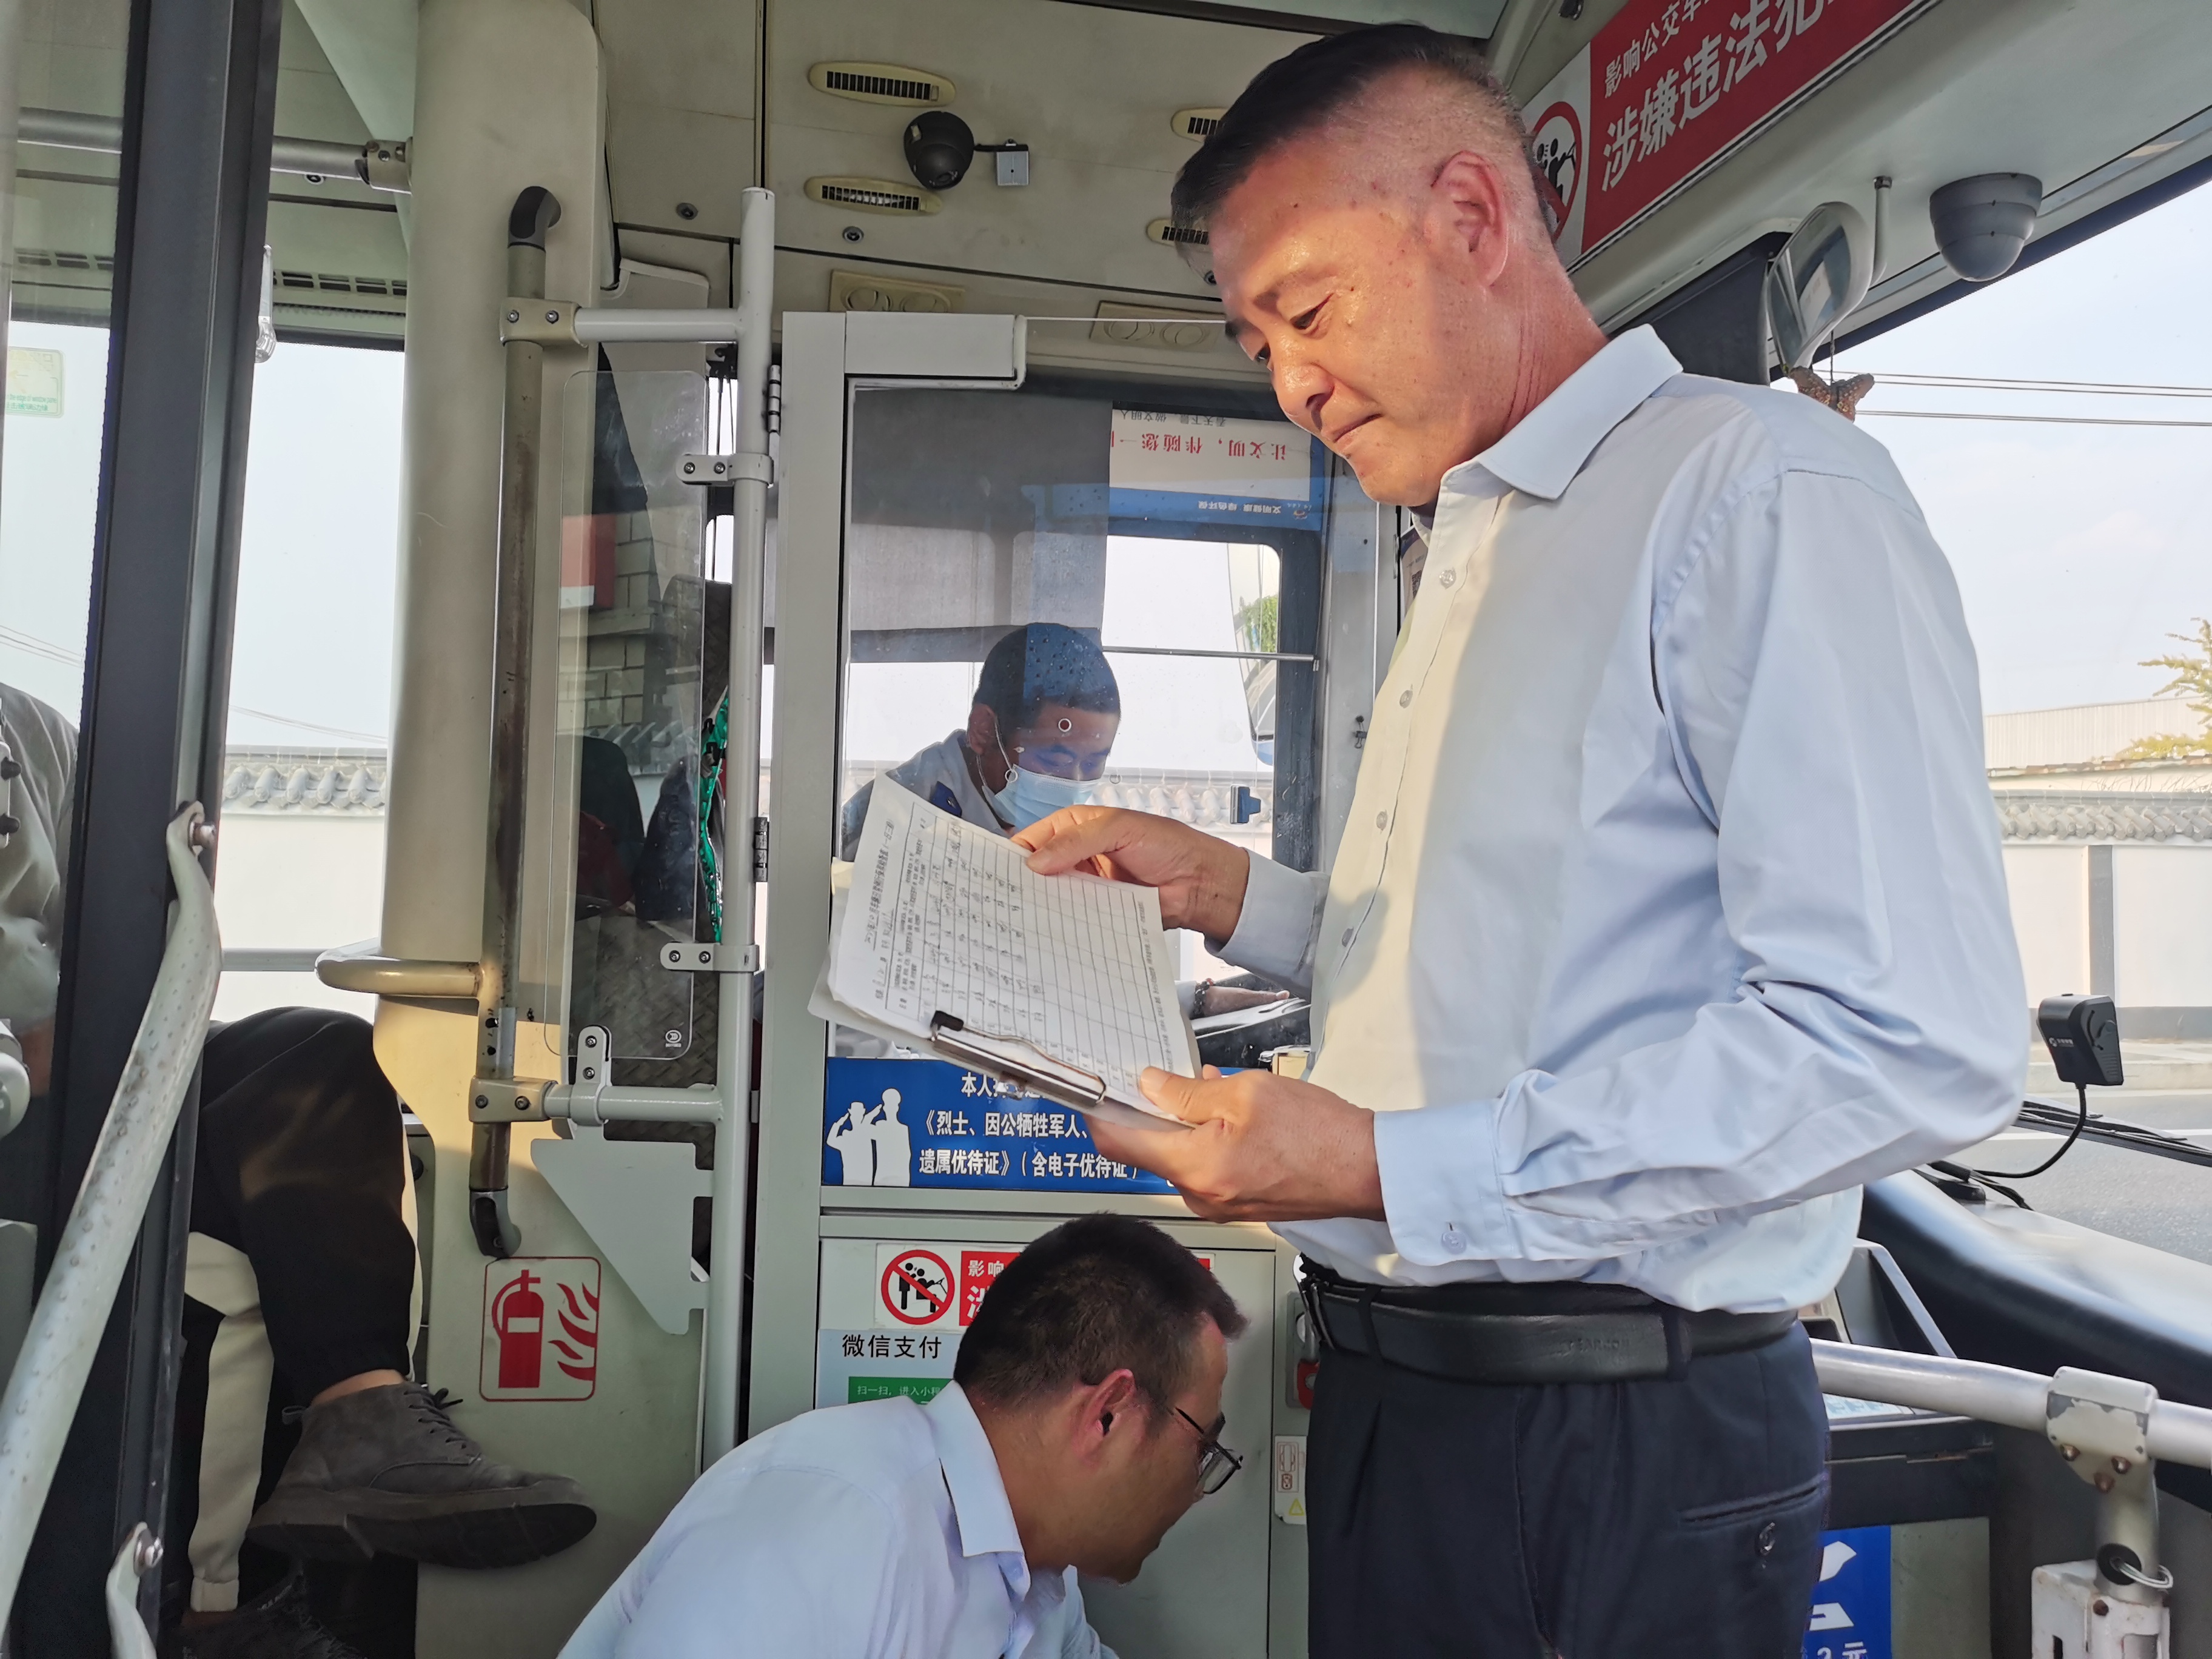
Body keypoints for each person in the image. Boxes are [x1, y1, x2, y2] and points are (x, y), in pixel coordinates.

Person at [1013, 25, 2025, 1658]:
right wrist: (1240, 897)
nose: (1290, 384)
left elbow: (1908, 1038)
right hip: (1413, 1411)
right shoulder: (1473, 539)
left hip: (1611, 1445)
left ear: (1476, 219)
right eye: (1257, 340)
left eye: (1310, 313)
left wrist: (1381, 1165)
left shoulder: (1753, 492)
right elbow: (1510, 959)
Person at [0, 683, 595, 1658]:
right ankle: (203, 1613)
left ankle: (361, 1417)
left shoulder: (35, 733)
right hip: (27, 1105)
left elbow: (117, 933)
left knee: (311, 1055)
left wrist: (137, 1046)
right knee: (215, 1247)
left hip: (84, 1072)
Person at [561, 1213, 1248, 1658]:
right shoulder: (831, 1522)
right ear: (1108, 1415)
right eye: (1201, 1447)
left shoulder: (1036, 1578)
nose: (1195, 1488)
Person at [839, 622, 1121, 857]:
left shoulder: (1081, 837)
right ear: (985, 730)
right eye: (1054, 761)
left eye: (1093, 764)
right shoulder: (893, 822)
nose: (1073, 786)